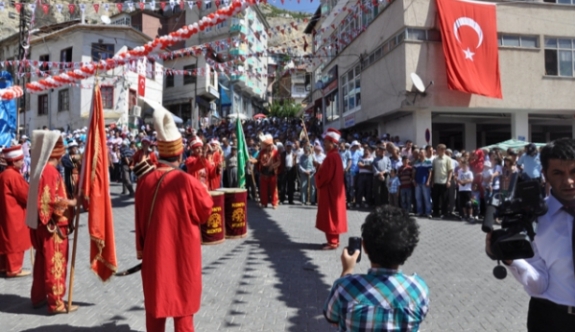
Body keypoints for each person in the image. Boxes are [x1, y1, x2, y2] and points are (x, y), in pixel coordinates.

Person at [135, 106, 213, 332]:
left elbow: (139, 222)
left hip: (155, 255)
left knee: (155, 309)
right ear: (180, 154)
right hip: (183, 256)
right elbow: (206, 210)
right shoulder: (187, 182)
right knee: (183, 310)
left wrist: (142, 249)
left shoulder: (144, 181)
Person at [486, 138, 575, 331]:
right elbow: (538, 285)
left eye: (574, 172)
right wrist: (511, 259)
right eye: (558, 173)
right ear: (545, 175)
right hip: (550, 319)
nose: (568, 181)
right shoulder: (531, 218)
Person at [324, 205, 429, 331]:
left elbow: (332, 317)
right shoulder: (418, 289)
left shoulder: (344, 287)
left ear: (365, 247)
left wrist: (347, 271)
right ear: (409, 249)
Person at [26, 131, 78, 314]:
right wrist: (71, 203)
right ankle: (56, 302)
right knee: (54, 263)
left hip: (42, 225)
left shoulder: (41, 169)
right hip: (53, 226)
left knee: (42, 263)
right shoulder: (49, 171)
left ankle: (39, 297)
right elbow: (49, 200)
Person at [0, 145, 31, 278]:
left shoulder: (3, 174)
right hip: (14, 213)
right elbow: (26, 195)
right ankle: (14, 269)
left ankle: (3, 266)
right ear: (14, 161)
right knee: (15, 240)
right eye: (20, 160)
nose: (23, 162)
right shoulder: (13, 176)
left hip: (5, 212)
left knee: (4, 239)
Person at [315, 129, 347, 250]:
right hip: (335, 191)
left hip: (330, 192)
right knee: (335, 214)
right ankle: (335, 240)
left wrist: (318, 172)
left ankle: (332, 242)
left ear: (332, 143)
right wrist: (319, 166)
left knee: (331, 215)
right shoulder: (335, 156)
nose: (324, 144)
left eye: (326, 142)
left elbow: (325, 177)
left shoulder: (330, 158)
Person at [252, 134, 281, 209]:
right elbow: (257, 160)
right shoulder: (261, 152)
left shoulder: (275, 152)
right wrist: (251, 160)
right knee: (263, 190)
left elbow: (279, 162)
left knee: (273, 189)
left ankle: (274, 203)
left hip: (272, 174)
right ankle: (264, 203)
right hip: (263, 173)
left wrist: (273, 166)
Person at [430, 144, 453, 219]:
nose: (437, 151)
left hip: (444, 181)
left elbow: (450, 171)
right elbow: (433, 171)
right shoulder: (435, 159)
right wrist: (432, 180)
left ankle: (444, 212)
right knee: (435, 198)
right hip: (436, 181)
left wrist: (449, 180)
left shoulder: (448, 159)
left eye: (439, 149)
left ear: (443, 150)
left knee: (444, 198)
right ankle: (436, 212)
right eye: (437, 149)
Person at [413, 150, 433, 218]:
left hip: (425, 183)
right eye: (420, 152)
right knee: (418, 198)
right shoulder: (416, 162)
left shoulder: (428, 161)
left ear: (425, 153)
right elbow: (414, 172)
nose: (420, 154)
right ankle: (420, 212)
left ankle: (428, 212)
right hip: (417, 182)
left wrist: (428, 181)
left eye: (421, 152)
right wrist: (414, 180)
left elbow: (430, 172)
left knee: (427, 198)